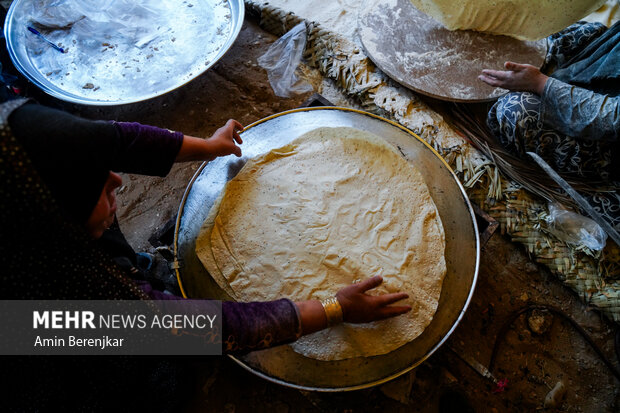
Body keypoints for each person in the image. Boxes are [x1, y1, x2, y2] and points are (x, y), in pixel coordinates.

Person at [1, 98, 412, 410]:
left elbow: (116, 141)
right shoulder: (47, 308)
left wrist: (209, 146)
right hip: (55, 369)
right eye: (97, 188)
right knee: (150, 381)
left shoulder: (15, 161)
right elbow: (190, 328)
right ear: (50, 220)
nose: (118, 181)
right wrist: (334, 308)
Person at [478, 21, 620, 228]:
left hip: (607, 147)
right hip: (603, 85)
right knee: (580, 32)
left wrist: (540, 83)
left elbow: (612, 118)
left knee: (515, 110)